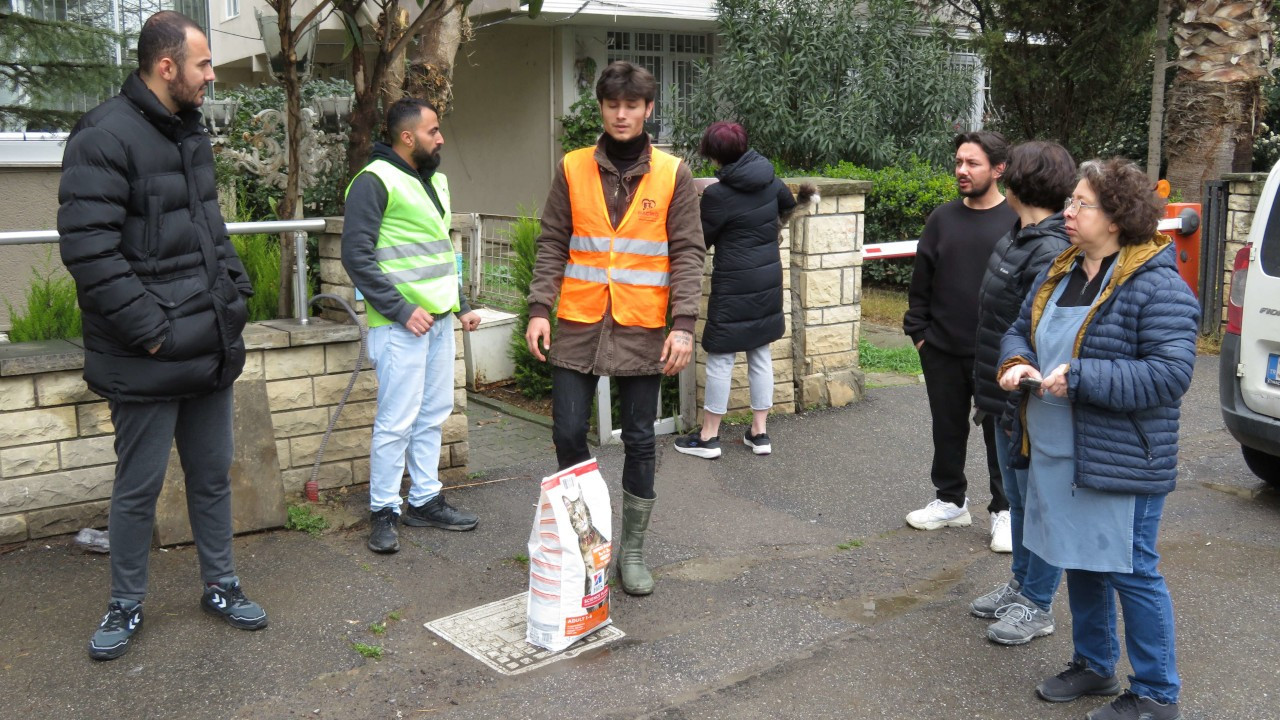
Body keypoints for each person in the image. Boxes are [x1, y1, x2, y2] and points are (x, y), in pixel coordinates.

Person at [57, 11, 267, 661]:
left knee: (210, 476)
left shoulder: (189, 132)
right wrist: (153, 335)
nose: (212, 77)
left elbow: (211, 227)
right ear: (166, 67)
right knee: (138, 487)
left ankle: (221, 585)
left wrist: (233, 296)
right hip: (147, 353)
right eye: (203, 65)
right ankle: (125, 603)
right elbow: (89, 253)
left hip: (208, 341)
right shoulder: (102, 136)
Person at [999, 159, 1198, 720]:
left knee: (1131, 571)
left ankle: (1158, 695)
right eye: (1070, 202)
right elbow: (1020, 327)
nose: (1068, 211)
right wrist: (1015, 359)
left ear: (1115, 218)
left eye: (1081, 204)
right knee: (1079, 559)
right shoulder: (1060, 270)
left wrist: (1082, 377)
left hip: (1121, 457)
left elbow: (1170, 374)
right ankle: (1094, 664)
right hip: (1060, 449)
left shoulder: (1156, 285)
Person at [524, 61, 705, 596]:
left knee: (641, 439)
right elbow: (554, 240)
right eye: (612, 105)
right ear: (601, 109)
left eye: (632, 105)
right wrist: (539, 307)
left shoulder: (674, 173)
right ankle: (588, 544)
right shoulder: (573, 167)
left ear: (649, 110)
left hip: (644, 324)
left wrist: (684, 325)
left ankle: (631, 552)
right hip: (578, 321)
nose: (621, 114)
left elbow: (688, 252)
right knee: (566, 432)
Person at [342, 98, 482, 555]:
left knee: (432, 415)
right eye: (433, 131)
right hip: (400, 325)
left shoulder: (435, 181)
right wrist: (402, 310)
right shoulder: (373, 181)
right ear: (407, 137)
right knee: (396, 421)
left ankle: (424, 499)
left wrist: (461, 305)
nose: (440, 138)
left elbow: (443, 251)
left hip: (439, 321)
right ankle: (384, 509)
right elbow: (356, 257)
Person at [967, 141, 1075, 645]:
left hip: (1027, 400)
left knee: (1037, 504)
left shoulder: (1050, 248)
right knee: (1017, 498)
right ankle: (1021, 586)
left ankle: (1038, 604)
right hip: (1000, 394)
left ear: (1020, 182)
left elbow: (1040, 333)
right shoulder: (1019, 234)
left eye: (1008, 169)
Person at [903, 131, 1014, 552]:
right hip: (942, 350)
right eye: (959, 162)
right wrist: (920, 337)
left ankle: (1004, 511)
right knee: (946, 429)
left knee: (999, 435)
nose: (962, 171)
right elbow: (921, 285)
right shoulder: (942, 219)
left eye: (973, 163)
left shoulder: (1016, 222)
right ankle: (950, 501)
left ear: (998, 169)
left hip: (997, 353)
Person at [674, 121, 811, 459]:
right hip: (766, 282)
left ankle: (708, 438)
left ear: (715, 155)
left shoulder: (719, 196)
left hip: (734, 285)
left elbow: (699, 241)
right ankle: (760, 433)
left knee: (721, 358)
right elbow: (786, 208)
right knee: (760, 354)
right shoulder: (770, 180)